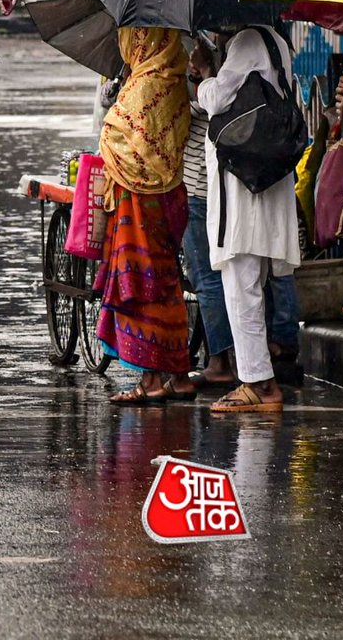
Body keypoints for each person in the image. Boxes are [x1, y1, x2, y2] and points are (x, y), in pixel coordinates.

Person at [194, 26, 301, 412]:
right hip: (262, 183)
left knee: (241, 285)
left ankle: (259, 383)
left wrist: (204, 75)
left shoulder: (246, 41)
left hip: (242, 190)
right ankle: (258, 378)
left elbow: (218, 99)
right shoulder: (276, 41)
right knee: (250, 283)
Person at [96, 27, 191, 405]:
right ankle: (179, 375)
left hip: (138, 203)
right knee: (167, 283)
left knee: (140, 283)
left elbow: (115, 139)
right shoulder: (176, 82)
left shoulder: (141, 87)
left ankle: (150, 380)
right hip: (171, 196)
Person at [178, 45, 238, 390]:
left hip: (199, 187)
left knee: (206, 277)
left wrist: (201, 73)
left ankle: (220, 361)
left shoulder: (217, 76)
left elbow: (203, 107)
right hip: (212, 186)